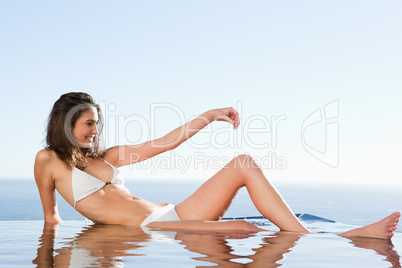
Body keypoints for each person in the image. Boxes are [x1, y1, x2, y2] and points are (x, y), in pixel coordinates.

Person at [34, 92, 400, 239]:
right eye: (89, 123)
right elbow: (52, 217)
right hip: (153, 225)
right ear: (67, 123)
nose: (96, 130)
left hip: (170, 212)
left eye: (97, 123)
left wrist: (208, 115)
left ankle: (327, 238)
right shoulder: (47, 160)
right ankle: (341, 238)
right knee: (242, 228)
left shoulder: (106, 157)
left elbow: (165, 142)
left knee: (243, 163)